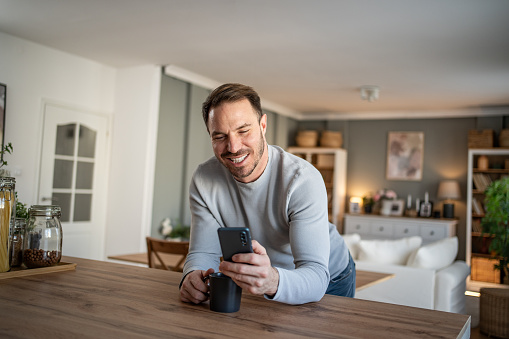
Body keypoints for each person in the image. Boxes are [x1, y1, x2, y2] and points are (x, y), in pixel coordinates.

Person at [179, 83, 355, 305]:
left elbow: (316, 275)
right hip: (267, 279)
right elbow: (202, 252)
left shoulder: (302, 180)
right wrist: (192, 275)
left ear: (263, 125)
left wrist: (272, 281)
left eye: (243, 131)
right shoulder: (204, 179)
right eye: (220, 136)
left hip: (330, 276)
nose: (233, 147)